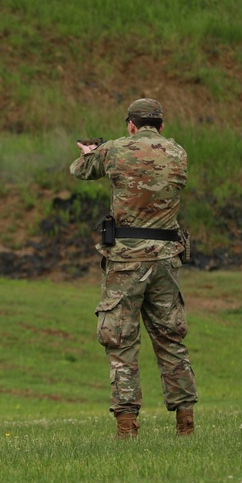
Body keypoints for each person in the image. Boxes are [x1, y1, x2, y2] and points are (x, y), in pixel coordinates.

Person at [70, 98, 198, 439]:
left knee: (121, 341)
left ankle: (127, 427)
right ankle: (185, 424)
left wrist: (89, 152)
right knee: (171, 340)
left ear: (130, 124)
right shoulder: (178, 152)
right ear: (161, 125)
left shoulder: (115, 150)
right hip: (167, 259)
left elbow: (81, 171)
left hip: (126, 260)